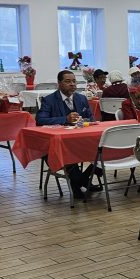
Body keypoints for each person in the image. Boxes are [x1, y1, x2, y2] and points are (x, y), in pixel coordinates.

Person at [36, 70, 96, 200]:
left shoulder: (81, 98)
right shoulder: (49, 100)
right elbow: (40, 120)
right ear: (59, 83)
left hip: (80, 140)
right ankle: (81, 182)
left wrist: (82, 121)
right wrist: (65, 119)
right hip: (57, 144)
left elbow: (91, 118)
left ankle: (80, 181)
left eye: (74, 81)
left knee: (101, 151)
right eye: (68, 81)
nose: (72, 84)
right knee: (67, 152)